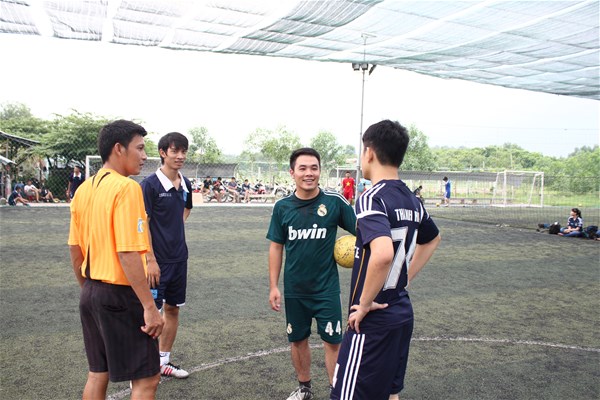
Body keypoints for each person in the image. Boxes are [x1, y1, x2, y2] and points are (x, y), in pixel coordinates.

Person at [331, 120, 441, 400]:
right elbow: (432, 239)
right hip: (401, 312)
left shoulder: (372, 198)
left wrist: (365, 304)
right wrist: (404, 277)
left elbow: (382, 255)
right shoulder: (412, 200)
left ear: (368, 153)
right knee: (390, 394)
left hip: (373, 320)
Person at [68, 120, 164, 399]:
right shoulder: (127, 188)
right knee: (147, 379)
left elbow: (75, 249)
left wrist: (89, 289)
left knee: (98, 373)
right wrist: (149, 306)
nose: (145, 156)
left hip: (91, 291)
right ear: (119, 149)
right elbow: (127, 252)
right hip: (120, 295)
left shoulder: (84, 189)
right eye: (140, 148)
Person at [267, 147, 357, 400]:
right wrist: (273, 286)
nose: (309, 173)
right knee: (297, 340)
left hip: (326, 289)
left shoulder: (334, 202)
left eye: (314, 168)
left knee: (333, 342)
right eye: (303, 168)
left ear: (320, 171)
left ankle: (337, 392)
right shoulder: (282, 207)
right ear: (292, 172)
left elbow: (363, 232)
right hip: (295, 290)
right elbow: (276, 247)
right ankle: (304, 388)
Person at [140, 131, 193, 379]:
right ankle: (143, 369)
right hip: (156, 263)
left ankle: (163, 362)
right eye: (175, 151)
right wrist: (150, 259)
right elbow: (143, 223)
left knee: (173, 310)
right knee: (150, 314)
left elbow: (186, 210)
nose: (180, 156)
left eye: (183, 151)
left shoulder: (185, 183)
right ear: (163, 153)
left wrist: (174, 228)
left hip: (179, 259)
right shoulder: (149, 185)